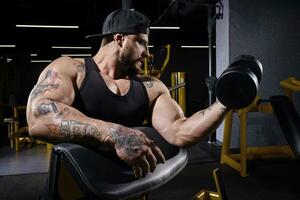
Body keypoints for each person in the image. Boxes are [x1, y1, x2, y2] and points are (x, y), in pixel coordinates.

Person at [26, 8, 229, 178]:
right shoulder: (71, 68)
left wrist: (224, 102)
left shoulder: (151, 87)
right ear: (119, 39)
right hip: (75, 188)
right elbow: (38, 117)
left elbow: (181, 132)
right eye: (142, 42)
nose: (147, 53)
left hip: (129, 188)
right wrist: (116, 134)